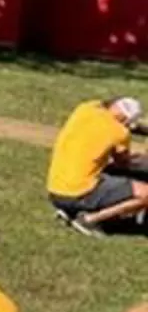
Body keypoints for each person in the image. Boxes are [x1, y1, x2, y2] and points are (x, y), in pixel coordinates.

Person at [47, 96, 148, 236]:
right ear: (126, 121)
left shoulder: (85, 109)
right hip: (78, 193)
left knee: (101, 168)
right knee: (145, 193)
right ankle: (89, 220)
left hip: (55, 190)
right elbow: (124, 163)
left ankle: (70, 211)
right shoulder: (119, 132)